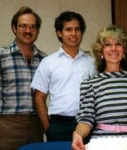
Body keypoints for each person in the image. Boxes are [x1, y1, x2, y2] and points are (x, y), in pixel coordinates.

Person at [31, 11, 96, 142]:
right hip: (58, 126)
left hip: (86, 124)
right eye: (68, 29)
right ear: (59, 33)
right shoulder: (48, 62)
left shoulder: (91, 63)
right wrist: (48, 128)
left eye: (77, 29)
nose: (73, 34)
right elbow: (39, 98)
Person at [0, 6, 47, 150]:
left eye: (32, 27)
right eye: (23, 26)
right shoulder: (2, 55)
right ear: (14, 28)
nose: (28, 31)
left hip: (36, 125)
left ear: (37, 31)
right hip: (7, 125)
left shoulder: (44, 60)